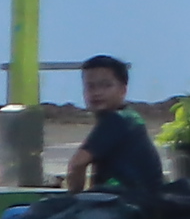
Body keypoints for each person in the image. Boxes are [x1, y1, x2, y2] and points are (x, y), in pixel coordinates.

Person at [61, 56, 163, 198]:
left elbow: (78, 163)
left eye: (106, 85)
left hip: (129, 204)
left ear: (123, 90)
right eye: (90, 86)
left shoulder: (117, 120)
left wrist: (73, 197)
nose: (97, 93)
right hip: (141, 200)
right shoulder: (129, 117)